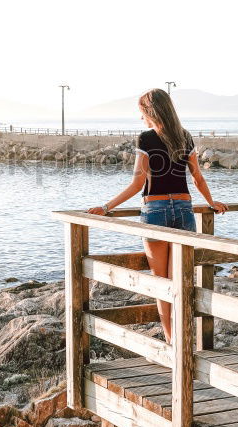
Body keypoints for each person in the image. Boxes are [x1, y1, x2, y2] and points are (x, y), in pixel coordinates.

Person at [87, 88, 228, 342]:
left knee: (161, 284)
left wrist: (106, 208)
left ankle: (172, 341)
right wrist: (210, 202)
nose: (141, 119)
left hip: (156, 211)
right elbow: (197, 177)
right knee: (179, 282)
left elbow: (137, 183)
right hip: (185, 210)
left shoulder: (146, 139)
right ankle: (184, 339)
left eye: (142, 113)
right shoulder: (185, 137)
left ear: (150, 112)